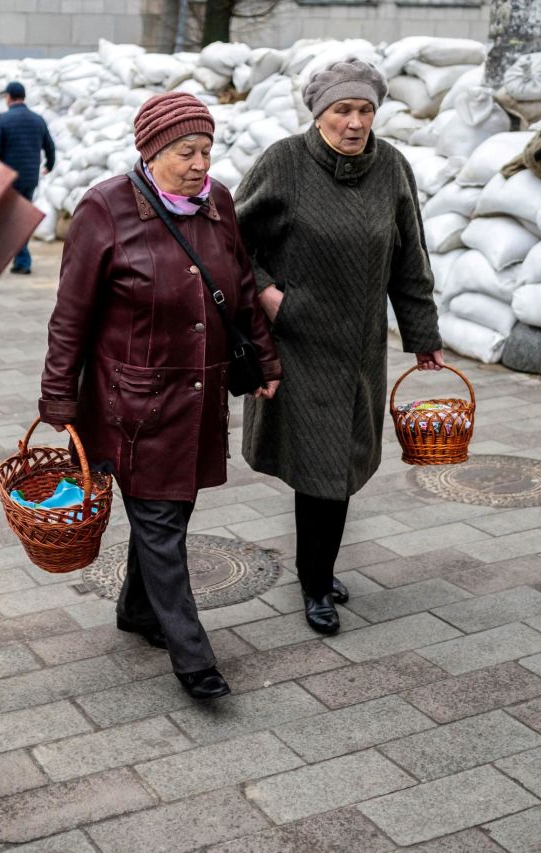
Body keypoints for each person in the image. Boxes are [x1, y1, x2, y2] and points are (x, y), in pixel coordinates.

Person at [38, 93, 282, 701]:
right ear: (150, 152)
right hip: (135, 405)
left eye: (206, 149)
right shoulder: (105, 208)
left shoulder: (219, 201)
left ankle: (138, 611)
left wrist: (266, 360)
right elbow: (70, 316)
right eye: (184, 152)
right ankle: (192, 656)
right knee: (161, 522)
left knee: (173, 511)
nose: (200, 163)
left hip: (201, 394)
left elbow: (243, 287)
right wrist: (58, 403)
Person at [235, 58, 444, 636]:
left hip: (359, 349)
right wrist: (270, 295)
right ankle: (315, 581)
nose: (355, 123)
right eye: (341, 110)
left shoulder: (393, 168)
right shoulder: (284, 163)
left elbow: (410, 257)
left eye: (364, 110)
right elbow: (229, 242)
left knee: (343, 464)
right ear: (319, 114)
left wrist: (422, 335)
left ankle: (317, 569)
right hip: (297, 344)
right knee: (320, 466)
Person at [0, 81, 55, 275]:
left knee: (11, 219)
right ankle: (19, 259)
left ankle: (22, 259)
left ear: (9, 97)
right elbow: (49, 146)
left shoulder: (2, 120)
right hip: (31, 177)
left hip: (9, 178)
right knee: (19, 217)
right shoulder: (37, 120)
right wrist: (49, 165)